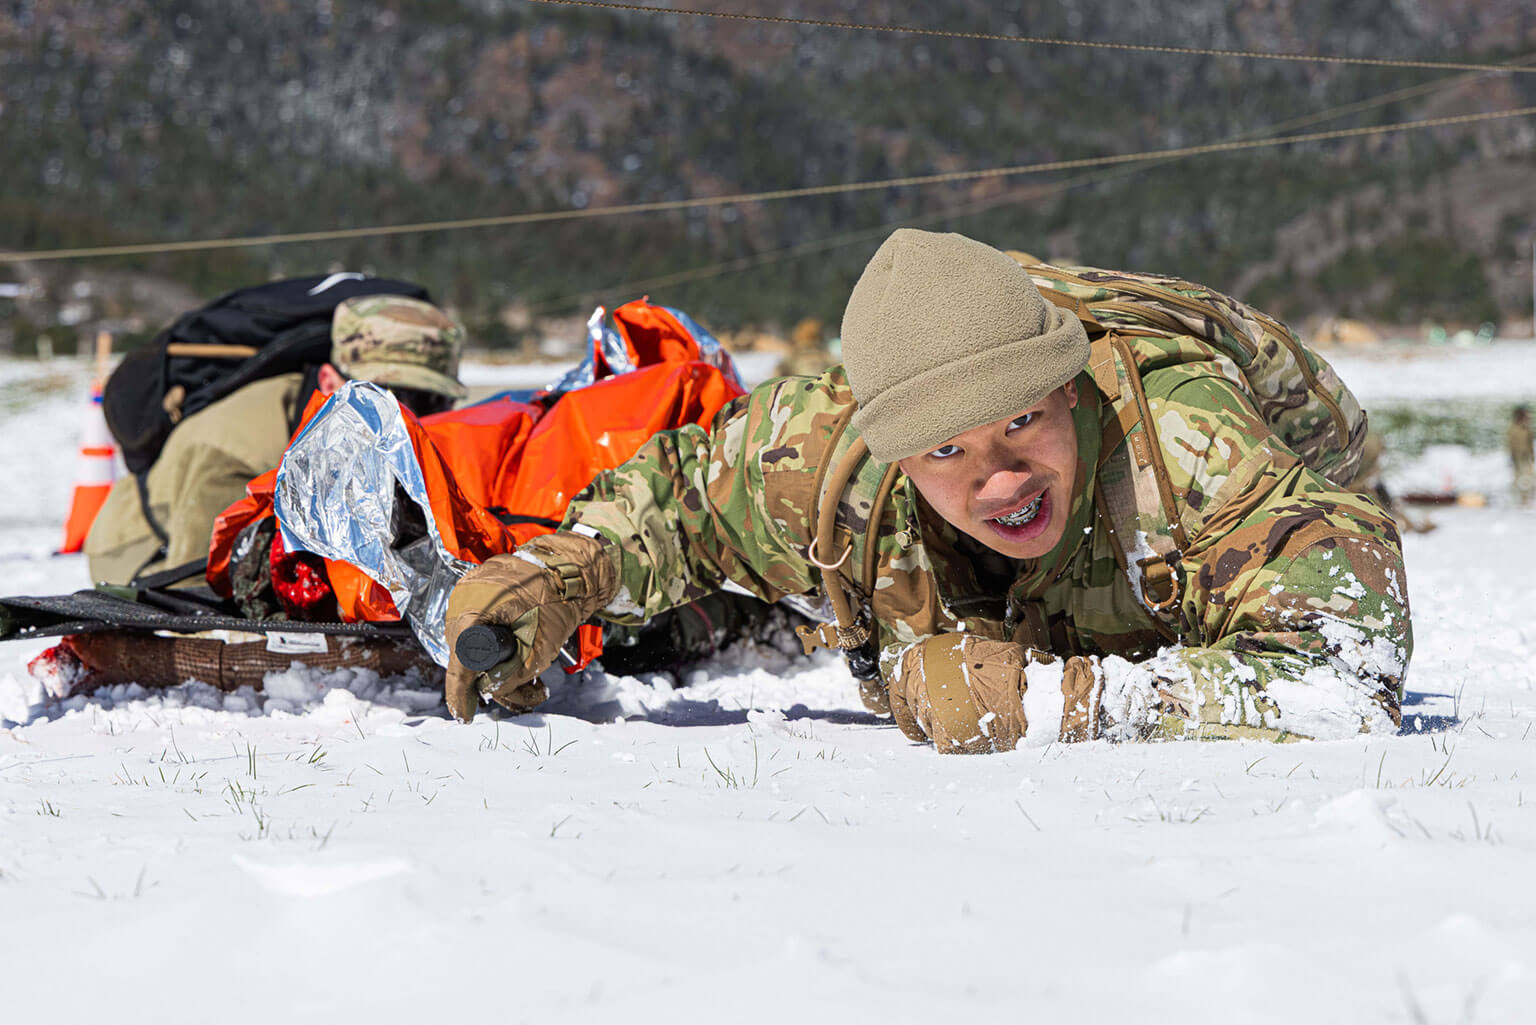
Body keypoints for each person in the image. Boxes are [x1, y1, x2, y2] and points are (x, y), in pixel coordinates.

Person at [444, 229, 1412, 753]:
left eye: (1023, 420)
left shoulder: (1184, 439)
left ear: (1070, 388)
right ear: (896, 454)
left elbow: (1345, 670)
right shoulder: (824, 456)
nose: (999, 475)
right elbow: (682, 500)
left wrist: (1064, 699)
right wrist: (553, 576)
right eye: (947, 446)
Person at [85, 295, 468, 587]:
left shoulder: (350, 422)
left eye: (431, 400)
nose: (407, 414)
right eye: (386, 393)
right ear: (328, 381)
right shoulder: (242, 447)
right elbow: (195, 590)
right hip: (141, 557)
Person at [1508, 405, 1534, 506]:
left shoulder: (1527, 429)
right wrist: (1512, 456)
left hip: (1526, 457)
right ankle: (1522, 500)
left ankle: (1526, 499)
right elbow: (1511, 444)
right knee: (1521, 478)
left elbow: (1529, 444)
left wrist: (1532, 456)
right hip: (1518, 457)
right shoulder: (1514, 429)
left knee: (1528, 478)